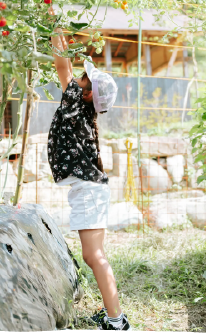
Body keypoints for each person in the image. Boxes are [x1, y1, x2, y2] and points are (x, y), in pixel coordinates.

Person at [49, 29, 128, 335]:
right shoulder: (80, 108)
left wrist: (53, 27)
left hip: (89, 191)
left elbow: (61, 65)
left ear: (88, 93)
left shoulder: (75, 107)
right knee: (92, 255)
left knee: (94, 256)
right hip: (89, 190)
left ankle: (118, 322)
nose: (80, 75)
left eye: (85, 78)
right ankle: (114, 318)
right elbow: (66, 68)